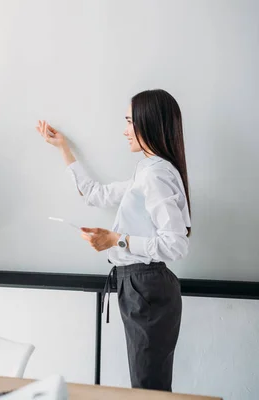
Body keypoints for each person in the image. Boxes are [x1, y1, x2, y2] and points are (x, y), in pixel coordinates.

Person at [36, 89, 191, 391]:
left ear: (149, 122)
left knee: (148, 388)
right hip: (137, 285)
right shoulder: (147, 170)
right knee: (146, 385)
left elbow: (176, 244)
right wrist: (63, 148)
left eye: (130, 121)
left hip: (146, 285)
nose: (125, 130)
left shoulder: (157, 175)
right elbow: (96, 194)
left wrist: (116, 240)